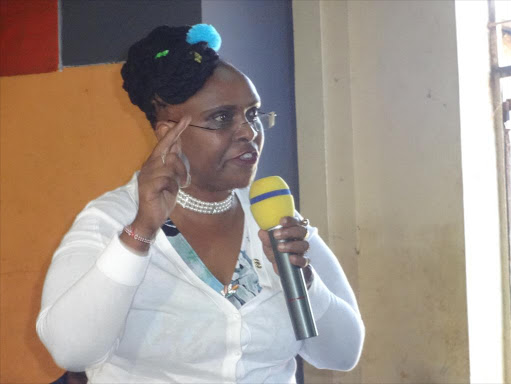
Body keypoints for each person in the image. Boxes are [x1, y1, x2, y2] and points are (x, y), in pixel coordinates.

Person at [37, 24, 364, 383]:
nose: (250, 132)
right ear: (168, 133)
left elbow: (342, 354)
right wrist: (140, 233)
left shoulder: (271, 217)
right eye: (222, 118)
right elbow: (72, 351)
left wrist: (304, 280)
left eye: (253, 115)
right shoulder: (109, 220)